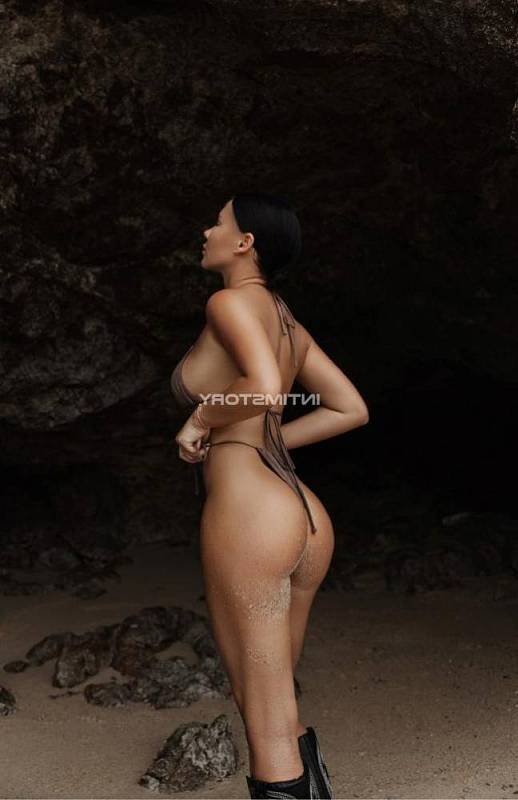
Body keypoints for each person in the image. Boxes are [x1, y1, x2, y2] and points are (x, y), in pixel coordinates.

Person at [171, 192, 369, 799]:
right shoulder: (287, 322)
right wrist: (270, 438)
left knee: (263, 720)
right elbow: (350, 408)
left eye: (218, 222)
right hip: (301, 512)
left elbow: (260, 387)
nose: (207, 230)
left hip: (251, 514)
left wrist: (202, 418)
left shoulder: (228, 302)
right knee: (277, 700)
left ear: (245, 242)